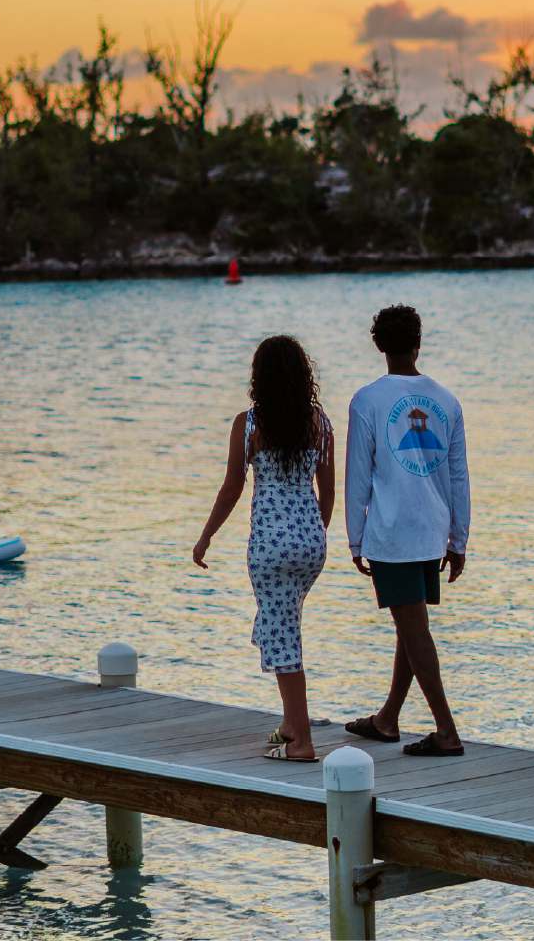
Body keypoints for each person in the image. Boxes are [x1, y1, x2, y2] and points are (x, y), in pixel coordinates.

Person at [192, 335, 335, 762]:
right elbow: (327, 491)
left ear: (259, 377)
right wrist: (315, 535)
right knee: (283, 625)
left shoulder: (248, 423)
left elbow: (233, 488)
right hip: (311, 543)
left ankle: (303, 742)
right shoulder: (319, 422)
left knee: (283, 634)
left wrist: (206, 536)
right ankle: (290, 723)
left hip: (270, 547)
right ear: (302, 375)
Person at [344, 304, 470, 756]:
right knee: (409, 621)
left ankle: (446, 731)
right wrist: (458, 539)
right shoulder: (447, 400)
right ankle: (388, 719)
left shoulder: (367, 400)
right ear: (419, 342)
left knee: (413, 628)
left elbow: (359, 476)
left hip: (393, 530)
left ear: (379, 344)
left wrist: (355, 538)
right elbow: (458, 475)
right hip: (432, 527)